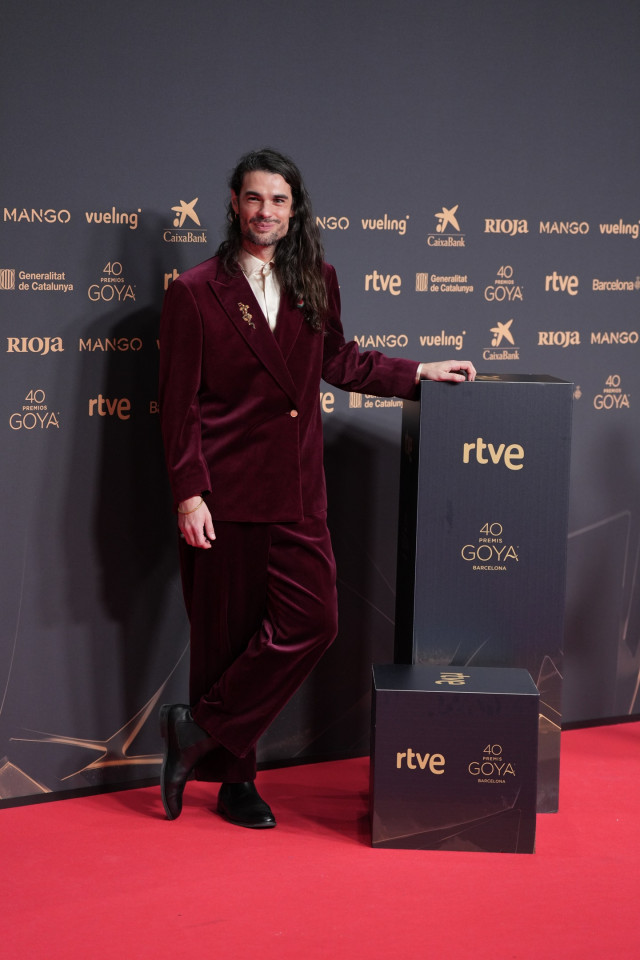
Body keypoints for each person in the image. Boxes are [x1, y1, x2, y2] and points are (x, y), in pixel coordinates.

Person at [158, 148, 476, 828]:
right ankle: (235, 783)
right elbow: (177, 404)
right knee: (227, 639)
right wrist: (190, 492)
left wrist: (418, 372)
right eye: (253, 198)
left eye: (277, 200)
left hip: (299, 488)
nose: (264, 211)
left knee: (314, 620)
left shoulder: (316, 277)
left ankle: (199, 727)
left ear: (293, 207)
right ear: (235, 204)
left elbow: (339, 358)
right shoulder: (194, 291)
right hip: (226, 494)